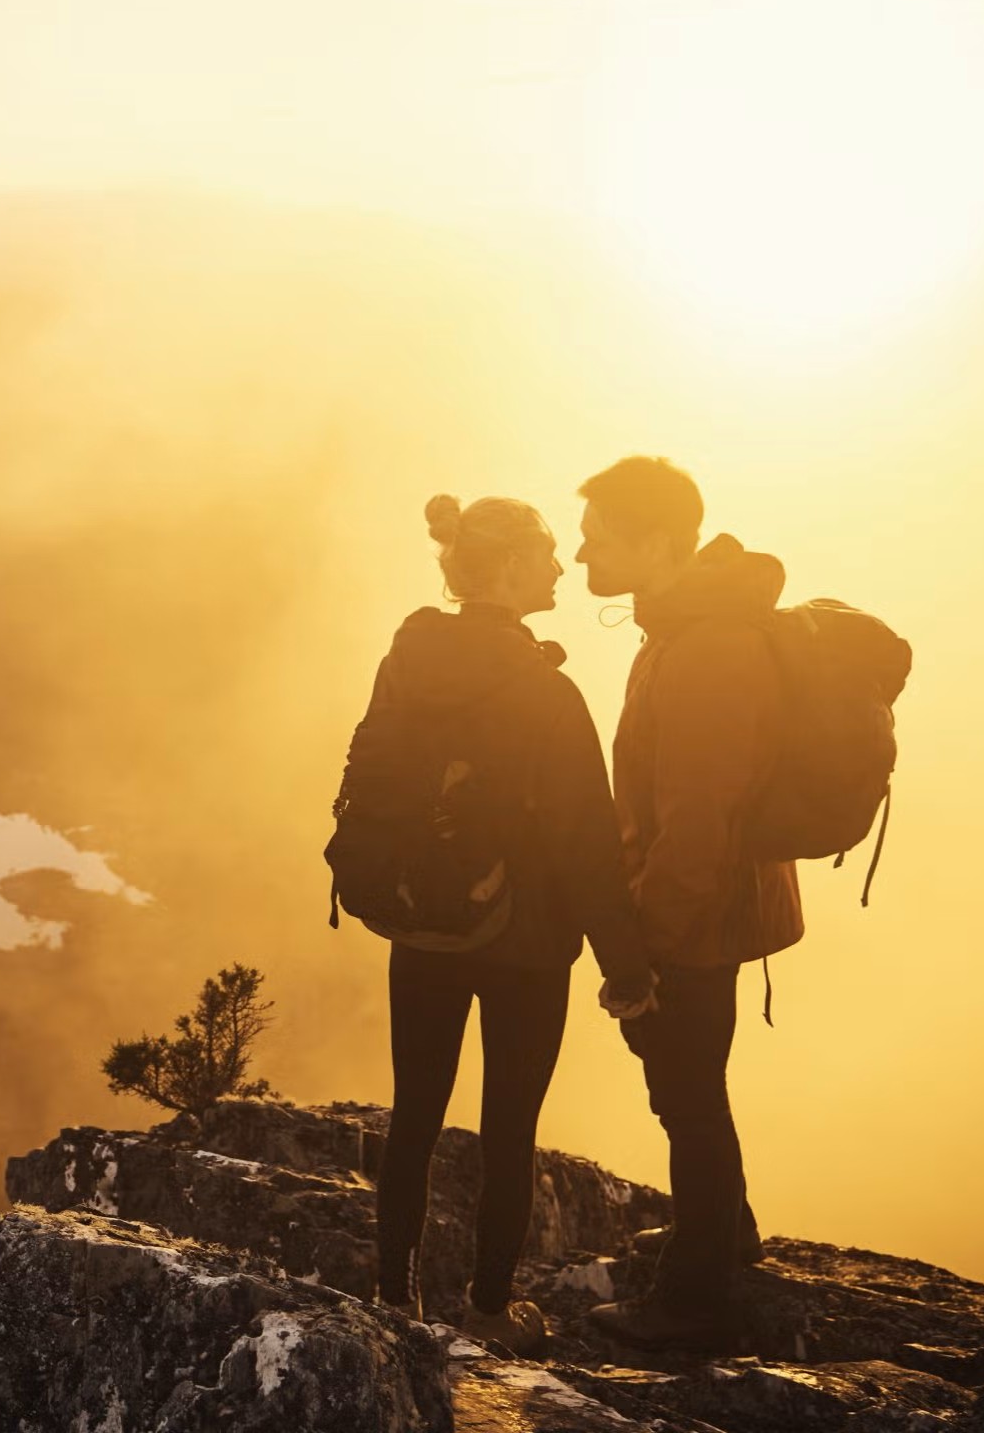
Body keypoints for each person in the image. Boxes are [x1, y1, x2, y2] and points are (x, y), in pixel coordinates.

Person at [344, 493, 656, 1354]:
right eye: (548, 555)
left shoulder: (404, 662)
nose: (560, 568)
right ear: (511, 568)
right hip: (525, 943)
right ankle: (486, 1306)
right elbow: (588, 843)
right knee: (508, 1126)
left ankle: (392, 1297)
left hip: (420, 924)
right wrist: (625, 966)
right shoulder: (544, 693)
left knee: (413, 1112)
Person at [573, 455, 804, 1351]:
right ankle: (724, 1232)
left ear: (657, 541)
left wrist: (647, 954)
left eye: (600, 532)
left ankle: (693, 1300)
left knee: (686, 1095)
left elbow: (698, 818)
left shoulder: (708, 647)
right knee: (691, 1089)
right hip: (699, 906)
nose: (584, 547)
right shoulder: (680, 629)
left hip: (693, 916)